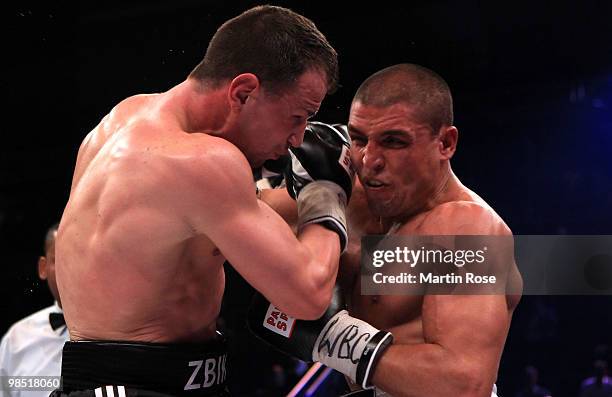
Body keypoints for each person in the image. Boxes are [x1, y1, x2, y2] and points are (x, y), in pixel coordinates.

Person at [53, 5, 353, 397]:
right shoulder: (203, 161)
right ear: (244, 92)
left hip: (111, 381)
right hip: (144, 384)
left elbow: (235, 211)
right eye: (297, 117)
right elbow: (309, 295)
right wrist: (327, 194)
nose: (297, 139)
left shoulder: (124, 119)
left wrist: (310, 193)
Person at [249, 64, 523, 396]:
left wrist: (330, 337)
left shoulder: (466, 228)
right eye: (359, 139)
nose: (369, 160)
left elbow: (463, 383)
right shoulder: (350, 199)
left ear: (446, 143)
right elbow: (229, 206)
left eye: (393, 142)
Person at [0, 223, 69, 397]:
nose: (72, 268)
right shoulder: (16, 339)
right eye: (62, 259)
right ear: (43, 268)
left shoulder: (124, 332)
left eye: (81, 258)